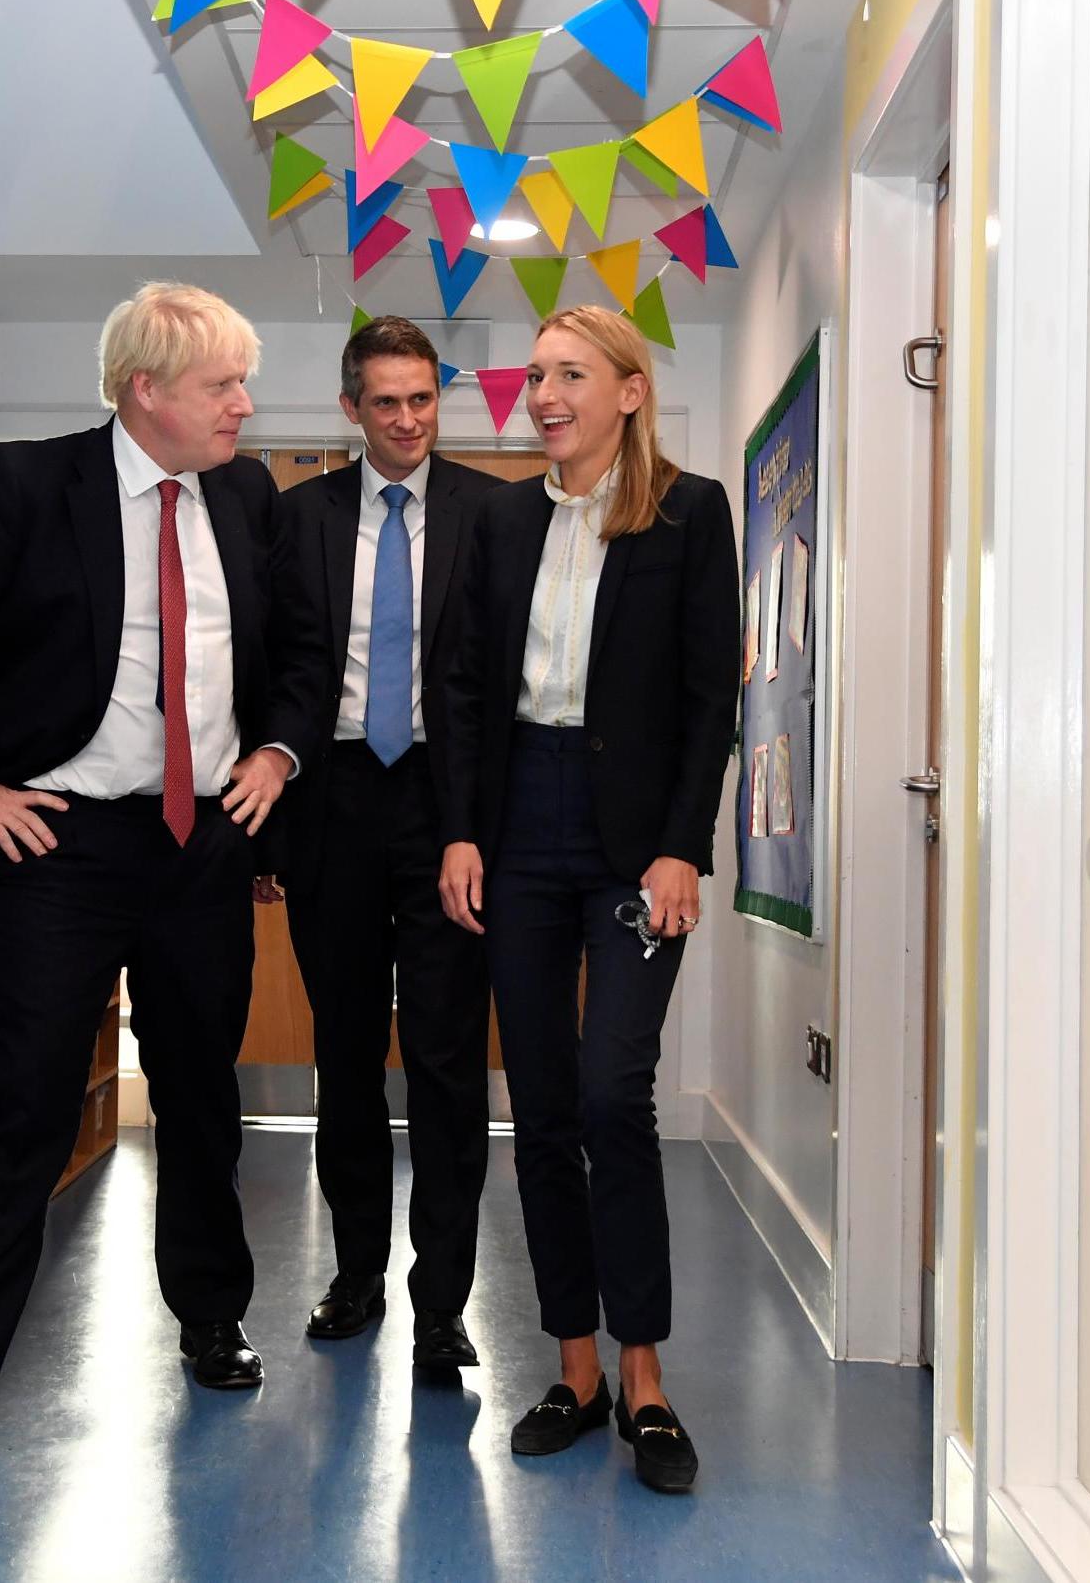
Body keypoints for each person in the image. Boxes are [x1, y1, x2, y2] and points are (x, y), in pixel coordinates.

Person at [0, 282, 324, 1446]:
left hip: (202, 842)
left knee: (201, 1095)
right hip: (61, 843)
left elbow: (299, 651)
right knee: (23, 1104)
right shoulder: (25, 484)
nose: (243, 404)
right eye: (222, 384)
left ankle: (211, 1319)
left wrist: (274, 750)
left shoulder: (246, 493)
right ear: (146, 391)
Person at [437, 305, 739, 1495]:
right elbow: (465, 685)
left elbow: (707, 689)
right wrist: (462, 827)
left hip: (629, 843)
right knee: (546, 1102)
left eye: (569, 373)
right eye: (536, 373)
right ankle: (574, 1366)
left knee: (616, 1089)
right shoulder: (505, 517)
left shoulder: (687, 508)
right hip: (517, 828)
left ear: (627, 388)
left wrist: (680, 848)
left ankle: (646, 1373)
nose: (543, 391)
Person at [266, 316, 494, 1368]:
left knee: (447, 1059)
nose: (407, 421)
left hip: (448, 812)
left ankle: (443, 1297)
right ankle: (356, 1270)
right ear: (349, 408)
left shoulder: (491, 513)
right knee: (346, 1052)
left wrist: (481, 826)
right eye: (386, 402)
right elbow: (268, 669)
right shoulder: (295, 516)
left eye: (423, 399)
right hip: (334, 803)